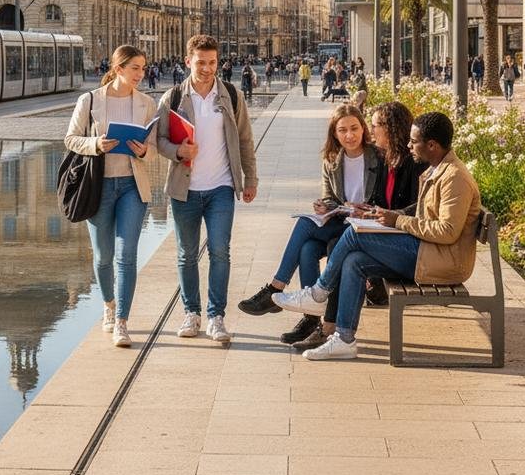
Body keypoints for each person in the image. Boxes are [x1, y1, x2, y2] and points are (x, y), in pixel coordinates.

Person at [273, 110, 482, 360]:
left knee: (354, 235)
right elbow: (424, 217)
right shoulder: (439, 170)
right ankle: (344, 339)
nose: (409, 145)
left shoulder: (454, 177)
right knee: (354, 261)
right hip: (428, 252)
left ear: (432, 145)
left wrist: (398, 220)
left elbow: (447, 232)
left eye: (414, 141)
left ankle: (318, 294)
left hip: (443, 262)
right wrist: (382, 215)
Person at [285, 101, 427, 350]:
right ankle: (336, 332)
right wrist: (367, 210)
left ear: (390, 128)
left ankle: (317, 299)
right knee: (315, 245)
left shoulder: (410, 163)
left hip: (409, 243)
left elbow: (419, 207)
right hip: (389, 232)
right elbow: (382, 202)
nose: (372, 131)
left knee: (345, 240)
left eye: (374, 125)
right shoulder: (390, 160)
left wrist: (381, 214)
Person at [237, 103, 382, 345]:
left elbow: (384, 199)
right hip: (341, 220)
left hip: (363, 226)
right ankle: (310, 318)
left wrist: (365, 209)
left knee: (306, 231)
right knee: (307, 244)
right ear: (334, 133)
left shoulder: (377, 157)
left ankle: (277, 289)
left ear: (363, 128)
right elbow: (330, 197)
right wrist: (325, 206)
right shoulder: (332, 160)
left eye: (354, 128)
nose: (349, 135)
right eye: (343, 130)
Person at [156, 34, 258, 345]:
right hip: (185, 189)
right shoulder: (173, 98)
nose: (207, 68)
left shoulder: (231, 95)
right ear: (188, 61)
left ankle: (216, 316)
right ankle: (192, 313)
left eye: (212, 62)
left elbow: (245, 140)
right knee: (187, 254)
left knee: (219, 251)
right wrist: (177, 151)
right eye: (201, 62)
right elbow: (159, 140)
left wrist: (250, 179)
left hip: (221, 188)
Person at [64, 44, 158, 349]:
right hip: (99, 186)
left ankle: (122, 322)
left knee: (126, 255)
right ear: (118, 69)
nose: (141, 74)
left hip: (132, 186)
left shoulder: (146, 103)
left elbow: (154, 149)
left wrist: (144, 151)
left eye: (143, 68)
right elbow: (70, 139)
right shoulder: (90, 100)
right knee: (103, 256)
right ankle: (108, 304)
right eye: (135, 68)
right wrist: (96, 144)